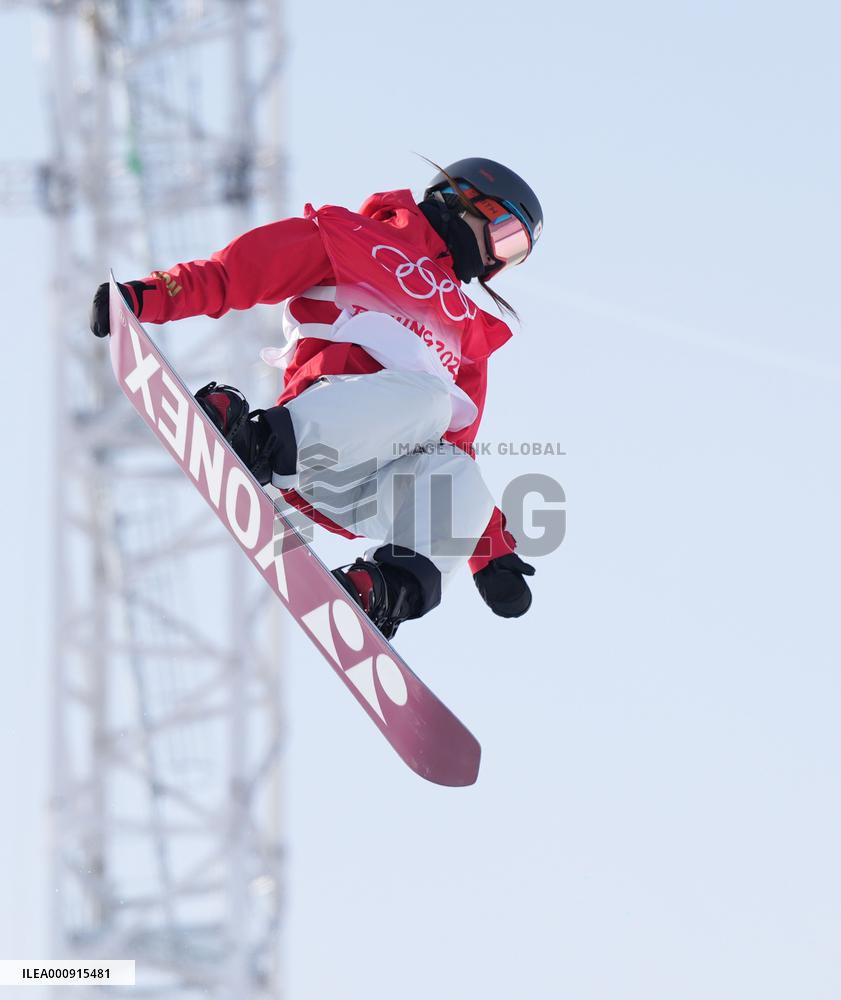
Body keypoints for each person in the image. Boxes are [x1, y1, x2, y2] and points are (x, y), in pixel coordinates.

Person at [90, 157, 543, 639]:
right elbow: (240, 272)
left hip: (357, 490)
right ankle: (259, 440)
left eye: (515, 256)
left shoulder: (470, 334)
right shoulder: (353, 238)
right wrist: (150, 295)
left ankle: (388, 588)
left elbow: (456, 450)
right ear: (465, 199)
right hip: (316, 438)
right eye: (507, 236)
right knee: (430, 398)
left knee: (458, 468)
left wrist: (488, 551)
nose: (498, 261)